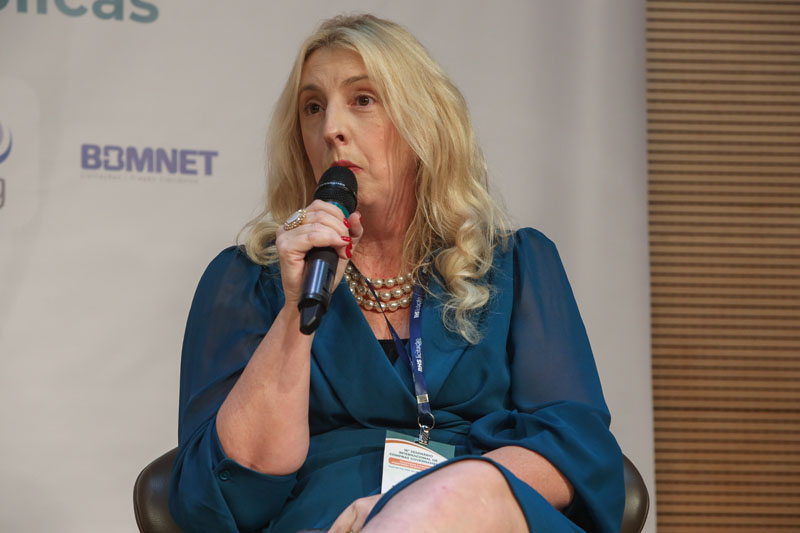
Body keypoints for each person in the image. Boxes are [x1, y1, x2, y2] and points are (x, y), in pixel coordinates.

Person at [169, 13, 624, 533]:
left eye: (363, 100)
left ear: (423, 122)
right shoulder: (248, 281)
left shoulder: (516, 265)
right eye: (313, 107)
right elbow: (226, 491)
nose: (331, 129)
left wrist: (429, 500)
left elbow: (575, 448)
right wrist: (297, 312)